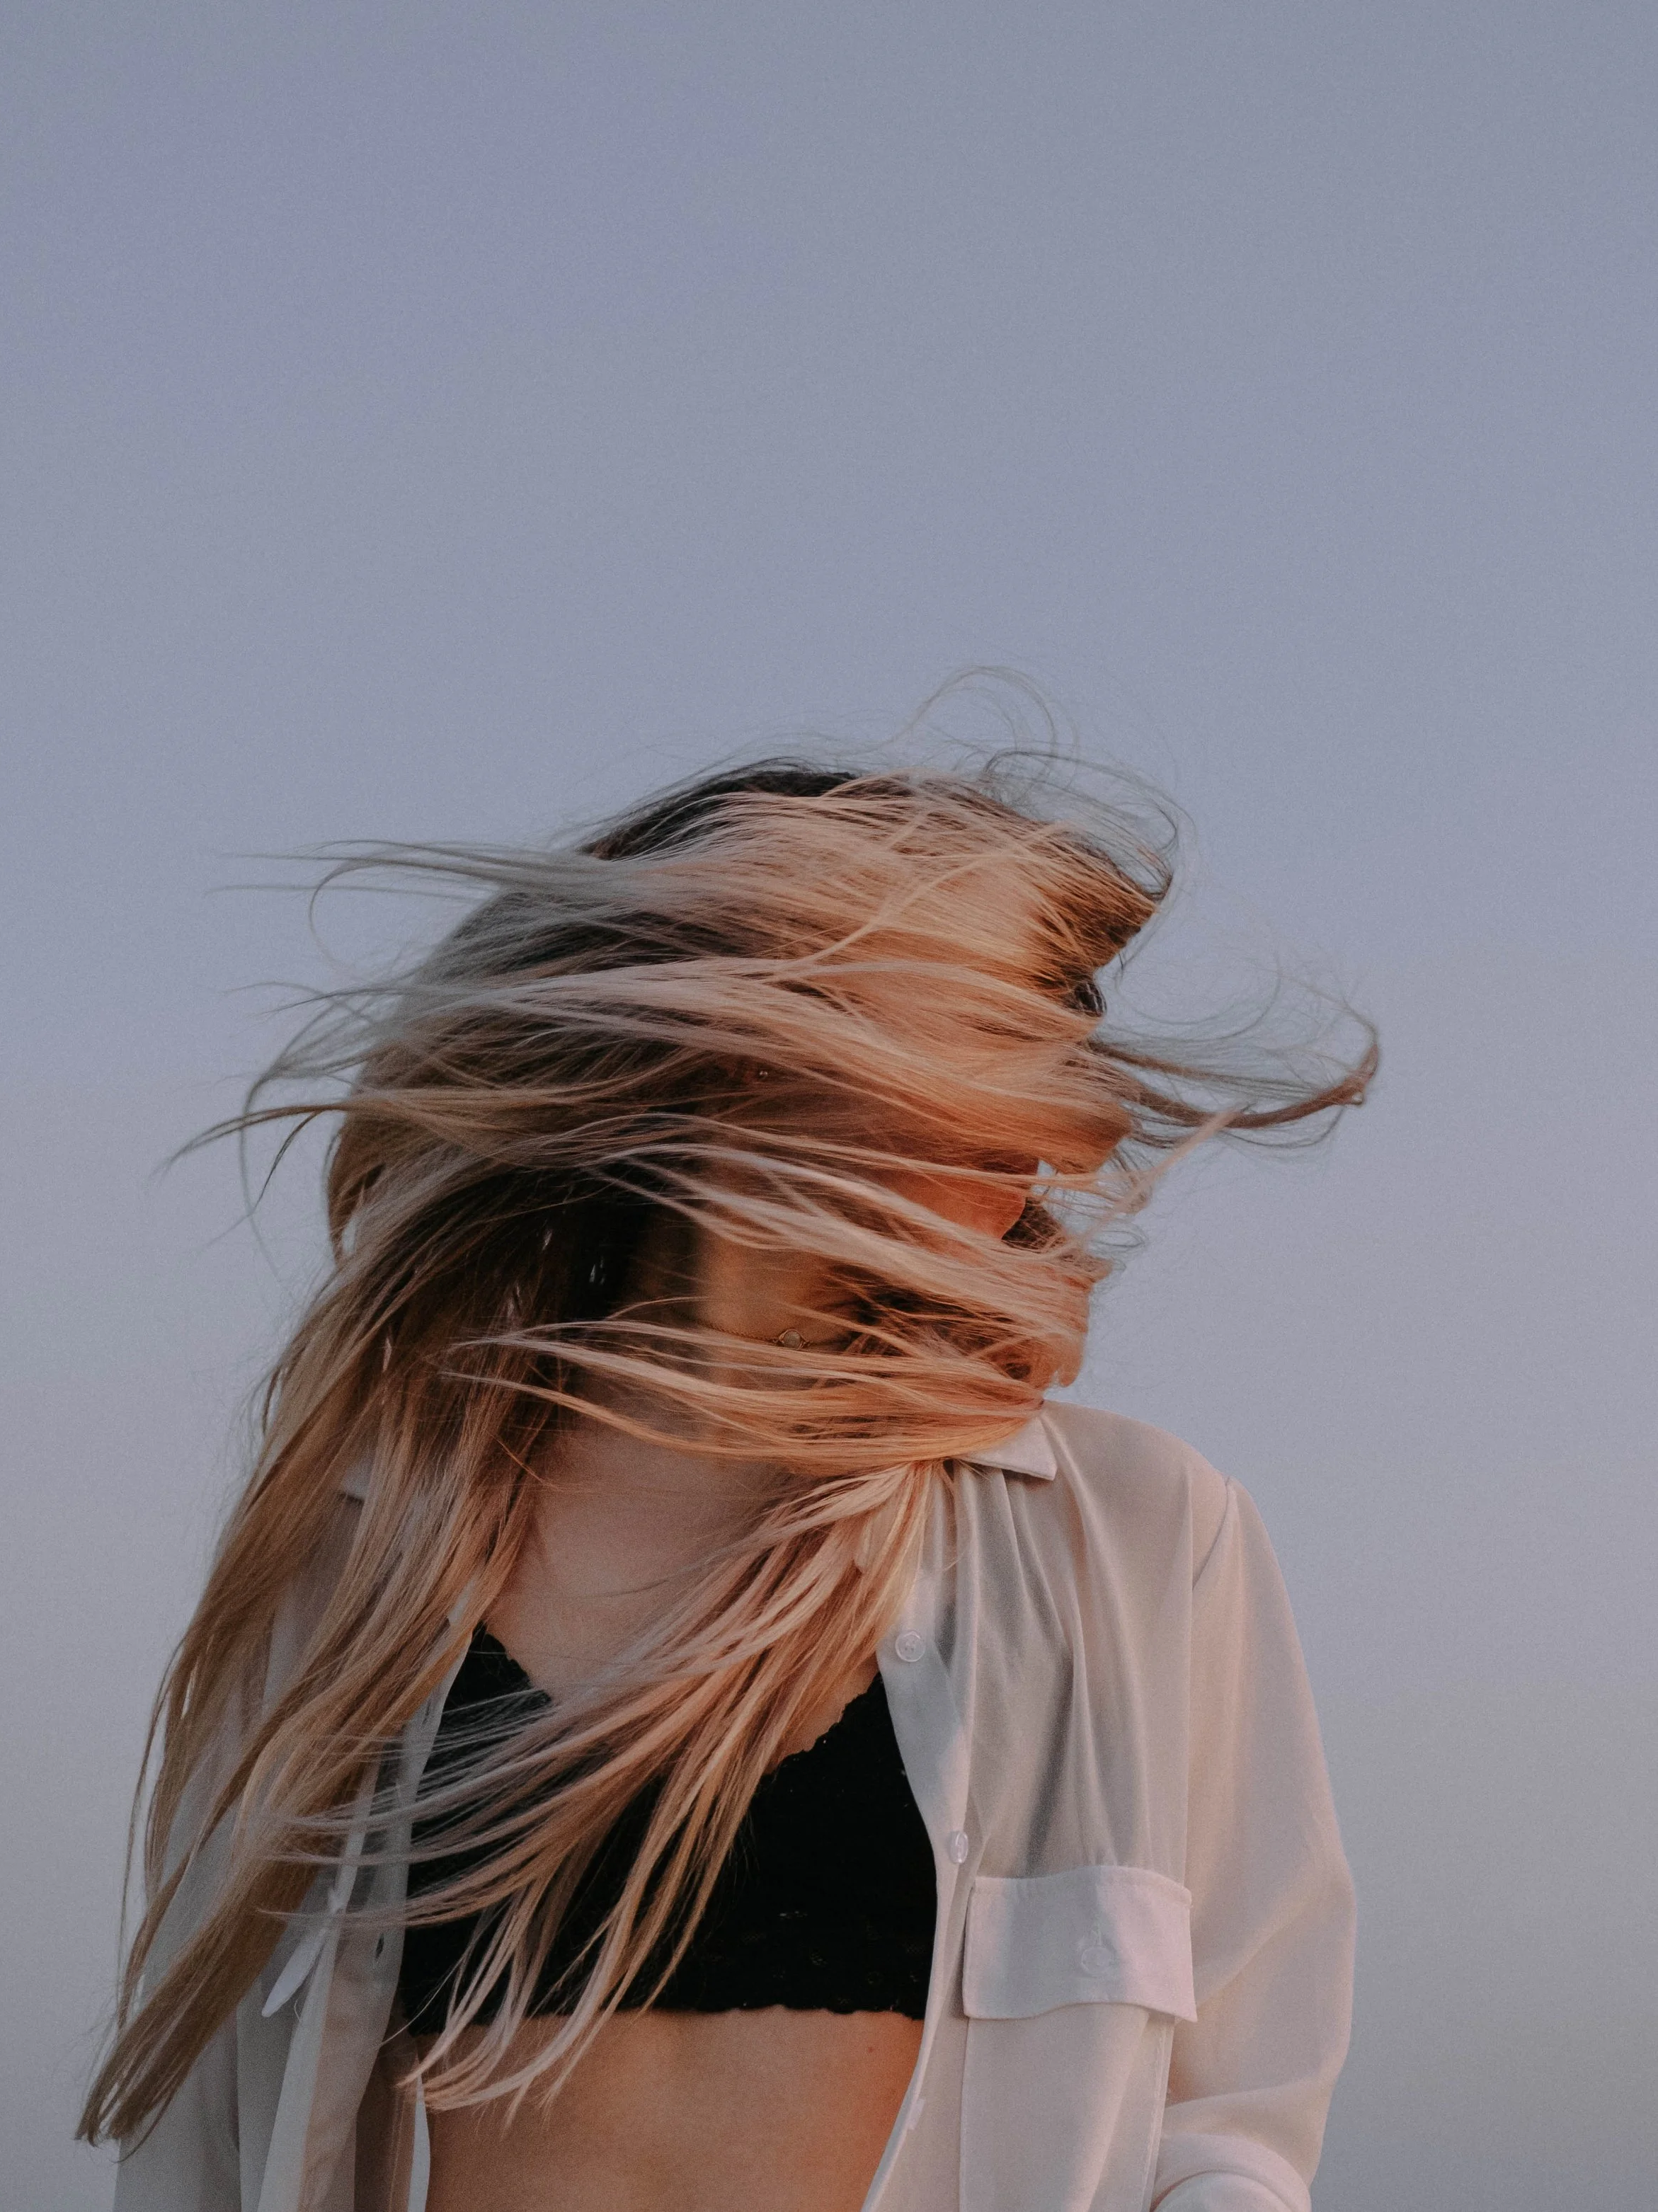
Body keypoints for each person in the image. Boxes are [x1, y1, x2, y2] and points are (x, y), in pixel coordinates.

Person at [81, 746, 1375, 2212]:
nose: (1066, 1115)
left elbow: (1232, 2122)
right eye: (1004, 1031)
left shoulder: (1136, 1534)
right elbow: (194, 2145)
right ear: (766, 1036)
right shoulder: (360, 1540)